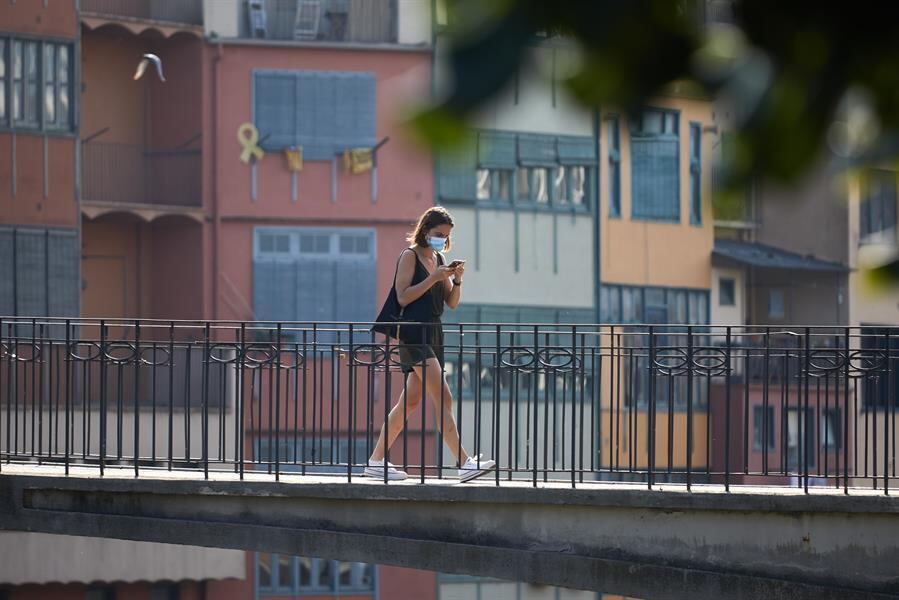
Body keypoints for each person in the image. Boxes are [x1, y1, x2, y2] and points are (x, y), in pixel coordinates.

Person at [365, 207, 496, 482]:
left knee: (409, 402)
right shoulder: (409, 256)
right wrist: (433, 277)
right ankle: (463, 462)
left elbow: (451, 302)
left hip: (434, 332)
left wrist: (456, 278)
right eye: (439, 234)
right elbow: (402, 297)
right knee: (444, 397)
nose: (442, 239)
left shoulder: (438, 258)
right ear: (426, 230)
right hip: (413, 333)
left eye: (446, 236)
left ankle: (375, 461)